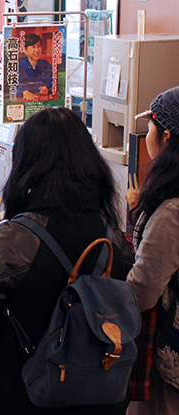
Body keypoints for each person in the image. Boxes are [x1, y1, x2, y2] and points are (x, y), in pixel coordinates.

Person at [0, 107, 134, 415]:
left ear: (27, 162)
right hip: (100, 388)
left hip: (23, 390)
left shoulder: (13, 237)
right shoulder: (113, 237)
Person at [126, 86, 179, 415]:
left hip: (169, 349)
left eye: (150, 128)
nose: (147, 135)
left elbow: (142, 291)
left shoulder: (172, 212)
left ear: (167, 137)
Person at [17, 33, 53, 101]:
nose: (37, 50)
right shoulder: (19, 66)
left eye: (39, 46)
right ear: (25, 51)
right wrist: (24, 91)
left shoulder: (45, 64)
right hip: (24, 100)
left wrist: (47, 88)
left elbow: (52, 81)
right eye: (33, 47)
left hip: (42, 99)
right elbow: (15, 84)